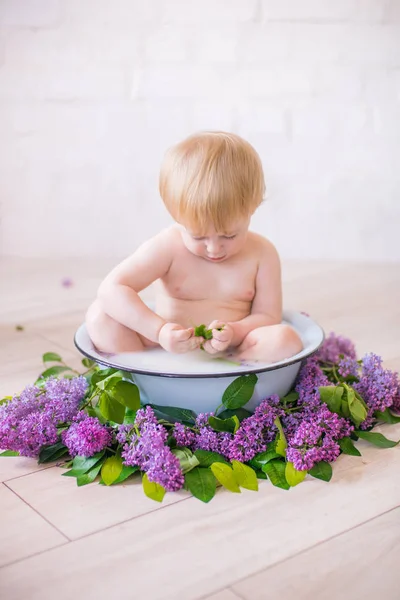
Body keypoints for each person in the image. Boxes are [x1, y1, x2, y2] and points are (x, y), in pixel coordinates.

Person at [86, 131, 303, 363]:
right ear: (177, 217)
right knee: (100, 316)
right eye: (198, 237)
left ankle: (234, 374)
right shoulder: (168, 246)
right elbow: (112, 288)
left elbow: (268, 316)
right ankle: (138, 375)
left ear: (253, 208)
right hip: (164, 350)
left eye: (229, 235)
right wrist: (158, 331)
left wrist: (234, 332)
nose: (214, 249)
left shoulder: (262, 253)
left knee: (286, 339)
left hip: (234, 350)